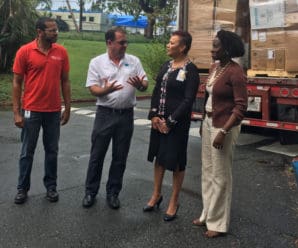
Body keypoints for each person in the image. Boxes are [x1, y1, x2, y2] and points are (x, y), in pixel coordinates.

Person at [82, 27, 148, 209]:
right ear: (109, 43)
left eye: (126, 42)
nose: (125, 45)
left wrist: (141, 85)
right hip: (105, 114)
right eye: (121, 42)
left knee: (120, 156)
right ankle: (90, 192)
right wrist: (107, 90)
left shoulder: (133, 61)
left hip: (126, 116)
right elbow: (93, 88)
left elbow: (144, 82)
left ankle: (113, 193)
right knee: (97, 155)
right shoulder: (97, 62)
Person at [192, 29, 248, 237]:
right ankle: (207, 214)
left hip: (224, 126)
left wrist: (223, 131)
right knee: (207, 171)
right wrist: (201, 121)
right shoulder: (215, 67)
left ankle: (218, 223)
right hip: (208, 121)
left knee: (221, 175)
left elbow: (241, 107)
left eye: (216, 46)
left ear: (227, 49)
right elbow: (209, 98)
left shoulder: (236, 72)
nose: (211, 49)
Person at [12, 17, 71, 204]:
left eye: (56, 30)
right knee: (26, 152)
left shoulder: (61, 52)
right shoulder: (25, 51)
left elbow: (65, 81)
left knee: (52, 151)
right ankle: (22, 188)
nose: (56, 33)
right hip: (31, 110)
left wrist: (67, 108)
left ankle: (51, 187)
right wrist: (16, 112)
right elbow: (16, 82)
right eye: (52, 30)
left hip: (53, 111)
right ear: (40, 32)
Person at [143, 30, 200, 221]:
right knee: (159, 157)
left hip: (177, 124)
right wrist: (153, 116)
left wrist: (171, 121)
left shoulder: (191, 70)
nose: (168, 45)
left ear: (182, 47)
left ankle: (174, 201)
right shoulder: (166, 66)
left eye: (172, 43)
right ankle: (156, 194)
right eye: (169, 42)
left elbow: (188, 100)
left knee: (176, 161)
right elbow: (156, 91)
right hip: (159, 122)